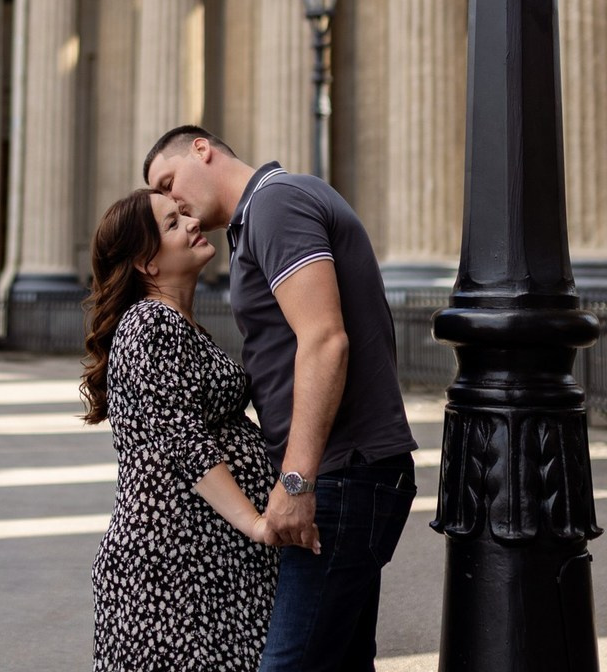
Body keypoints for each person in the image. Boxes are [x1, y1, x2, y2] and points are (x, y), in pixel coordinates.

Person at [144, 126, 417, 672]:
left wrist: (295, 481)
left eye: (169, 182)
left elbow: (324, 339)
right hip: (352, 471)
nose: (173, 201)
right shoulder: (264, 214)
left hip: (343, 472)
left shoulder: (274, 204)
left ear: (204, 149)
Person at [82, 188, 280, 672]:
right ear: (147, 263)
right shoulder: (152, 322)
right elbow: (183, 441)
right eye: (173, 223)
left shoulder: (179, 324)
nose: (193, 223)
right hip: (174, 567)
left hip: (200, 558)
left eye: (185, 215)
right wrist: (255, 523)